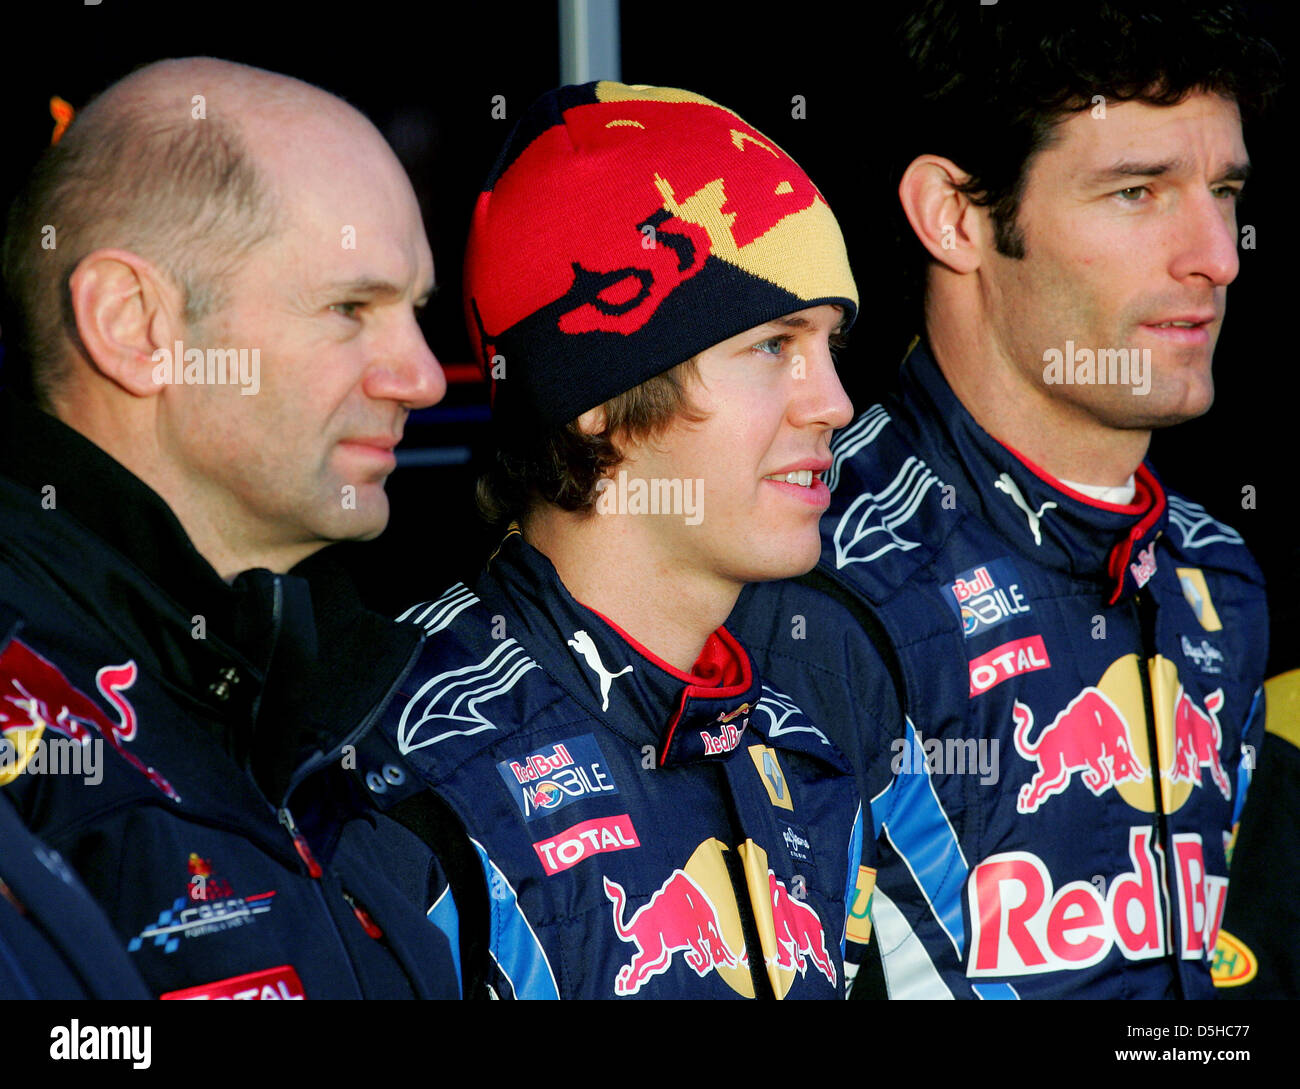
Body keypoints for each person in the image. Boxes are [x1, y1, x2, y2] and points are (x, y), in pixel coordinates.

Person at [729, 0, 1280, 999]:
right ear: (954, 215)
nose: (1217, 254)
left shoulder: (1216, 577)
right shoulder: (804, 579)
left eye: (1224, 190)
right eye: (1136, 191)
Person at [354, 81, 864, 999]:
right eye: (774, 345)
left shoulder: (814, 716)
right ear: (597, 403)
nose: (834, 402)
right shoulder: (410, 768)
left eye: (831, 345)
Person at [0, 57, 460, 998]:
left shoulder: (308, 705)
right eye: (349, 309)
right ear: (135, 324)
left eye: (413, 313)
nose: (423, 376)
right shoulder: (34, 741)